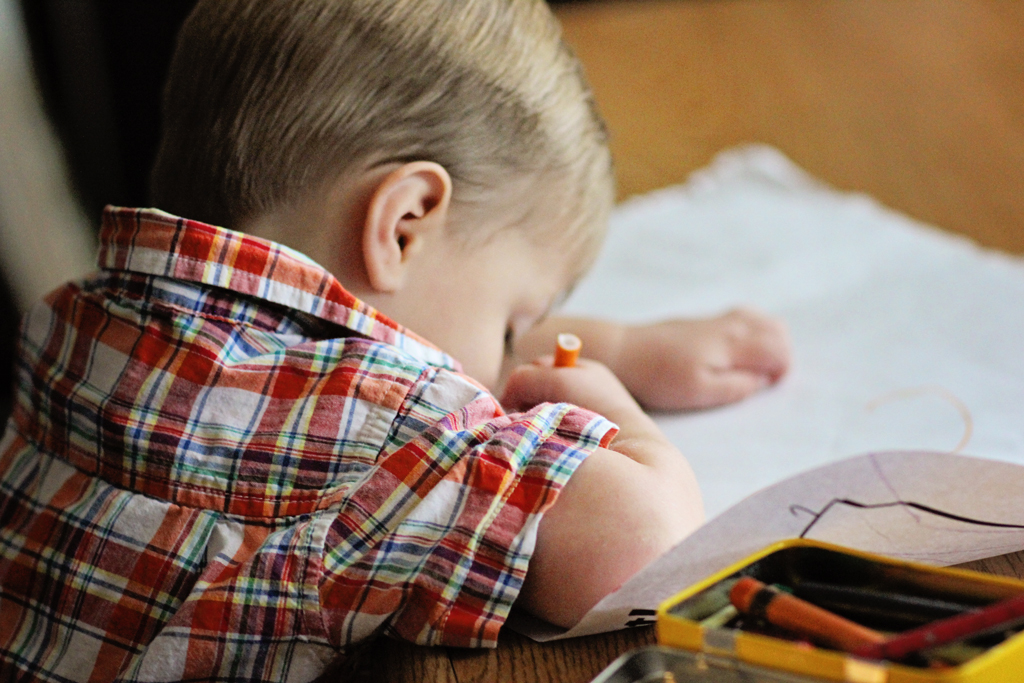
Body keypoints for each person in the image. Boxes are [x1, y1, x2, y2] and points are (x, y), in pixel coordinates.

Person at [0, 0, 790, 680]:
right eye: (512, 321)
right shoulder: (377, 428)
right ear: (404, 226)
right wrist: (632, 424)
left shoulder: (75, 322)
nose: (505, 355)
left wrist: (615, 343)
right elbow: (641, 547)